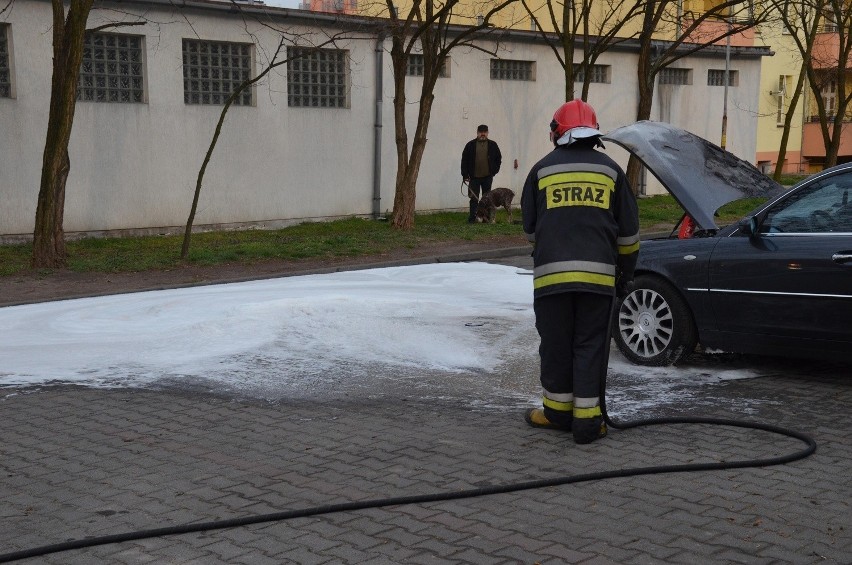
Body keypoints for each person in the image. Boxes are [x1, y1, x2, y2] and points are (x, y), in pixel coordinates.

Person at [520, 99, 640, 444]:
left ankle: (557, 414)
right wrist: (625, 275)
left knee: (556, 344)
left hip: (551, 281)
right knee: (589, 345)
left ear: (557, 132)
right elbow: (629, 236)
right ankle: (588, 423)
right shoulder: (611, 171)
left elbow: (529, 227)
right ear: (594, 133)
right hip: (598, 282)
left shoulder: (541, 171)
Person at [461, 124, 502, 223]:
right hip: (474, 178)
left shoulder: (493, 145)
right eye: (481, 132)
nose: (483, 134)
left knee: (487, 199)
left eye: (485, 132)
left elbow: (498, 159)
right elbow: (464, 160)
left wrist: (494, 172)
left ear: (487, 133)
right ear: (477, 133)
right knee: (474, 199)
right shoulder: (470, 145)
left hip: (487, 177)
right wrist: (465, 175)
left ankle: (485, 219)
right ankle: (472, 219)